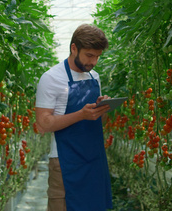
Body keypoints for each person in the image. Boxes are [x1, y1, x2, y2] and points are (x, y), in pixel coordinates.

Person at [35, 24, 113, 211]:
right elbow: (43, 123)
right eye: (89, 55)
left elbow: (97, 122)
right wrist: (81, 115)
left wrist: (102, 109)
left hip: (94, 158)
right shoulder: (51, 78)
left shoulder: (94, 76)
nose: (93, 62)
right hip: (64, 162)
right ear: (73, 48)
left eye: (97, 56)